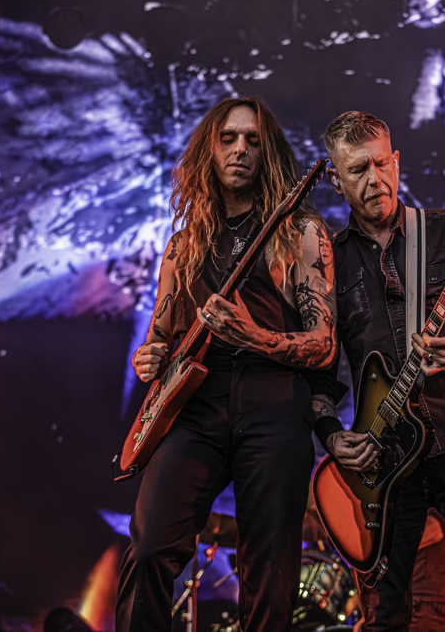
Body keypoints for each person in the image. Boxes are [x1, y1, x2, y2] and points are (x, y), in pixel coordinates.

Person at [116, 96, 336, 632]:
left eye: (253, 140)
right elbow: (159, 338)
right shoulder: (182, 246)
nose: (240, 149)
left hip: (274, 406)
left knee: (269, 575)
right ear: (209, 151)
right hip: (195, 408)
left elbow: (323, 344)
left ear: (268, 153)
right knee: (147, 548)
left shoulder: (300, 232)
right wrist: (150, 357)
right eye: (229, 138)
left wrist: (254, 336)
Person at [311, 111, 445, 631]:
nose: (374, 179)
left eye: (381, 163)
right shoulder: (330, 264)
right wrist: (331, 434)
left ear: (396, 161)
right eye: (358, 169)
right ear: (336, 180)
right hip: (386, 464)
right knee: (386, 616)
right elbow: (320, 371)